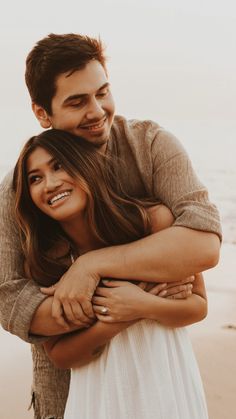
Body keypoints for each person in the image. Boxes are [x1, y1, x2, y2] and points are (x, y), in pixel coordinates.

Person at [0, 33, 221, 418]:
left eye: (102, 92)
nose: (98, 110)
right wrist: (129, 298)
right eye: (76, 101)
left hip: (160, 379)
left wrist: (92, 267)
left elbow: (203, 245)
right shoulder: (19, 192)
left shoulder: (150, 147)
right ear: (42, 114)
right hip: (70, 392)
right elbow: (11, 300)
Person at [13, 129, 209, 419]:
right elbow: (60, 355)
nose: (50, 184)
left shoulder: (151, 223)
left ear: (83, 164)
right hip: (98, 395)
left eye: (58, 166)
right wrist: (121, 317)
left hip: (166, 381)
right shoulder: (45, 261)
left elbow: (198, 307)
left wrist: (142, 304)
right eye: (35, 178)